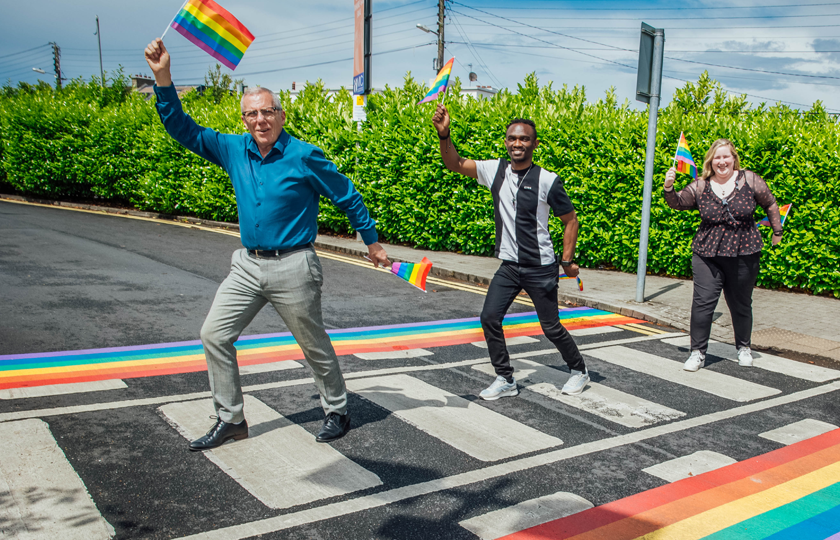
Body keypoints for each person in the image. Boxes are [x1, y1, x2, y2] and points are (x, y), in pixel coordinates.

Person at [144, 38, 390, 450]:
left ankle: (337, 410)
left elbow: (346, 194)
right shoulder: (231, 149)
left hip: (294, 264)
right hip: (247, 266)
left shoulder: (304, 155)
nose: (261, 119)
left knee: (313, 344)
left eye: (267, 111)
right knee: (214, 334)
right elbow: (181, 128)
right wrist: (163, 77)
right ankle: (231, 419)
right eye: (252, 113)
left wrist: (372, 242)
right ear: (244, 119)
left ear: (281, 114)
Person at [431, 104, 589, 399]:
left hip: (540, 266)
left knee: (550, 326)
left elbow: (571, 220)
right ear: (506, 141)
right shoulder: (495, 170)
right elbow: (454, 163)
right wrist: (444, 134)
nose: (518, 143)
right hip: (509, 266)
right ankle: (505, 379)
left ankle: (579, 370)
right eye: (513, 138)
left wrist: (567, 261)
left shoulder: (547, 180)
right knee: (489, 317)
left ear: (534, 144)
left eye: (525, 139)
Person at [664, 138, 782, 372]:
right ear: (711, 161)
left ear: (733, 158)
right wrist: (669, 187)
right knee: (702, 304)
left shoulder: (749, 179)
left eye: (726, 156)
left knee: (740, 304)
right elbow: (677, 203)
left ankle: (744, 348)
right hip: (707, 254)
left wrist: (777, 230)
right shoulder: (700, 185)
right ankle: (697, 353)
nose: (722, 161)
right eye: (717, 157)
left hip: (744, 252)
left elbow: (770, 202)